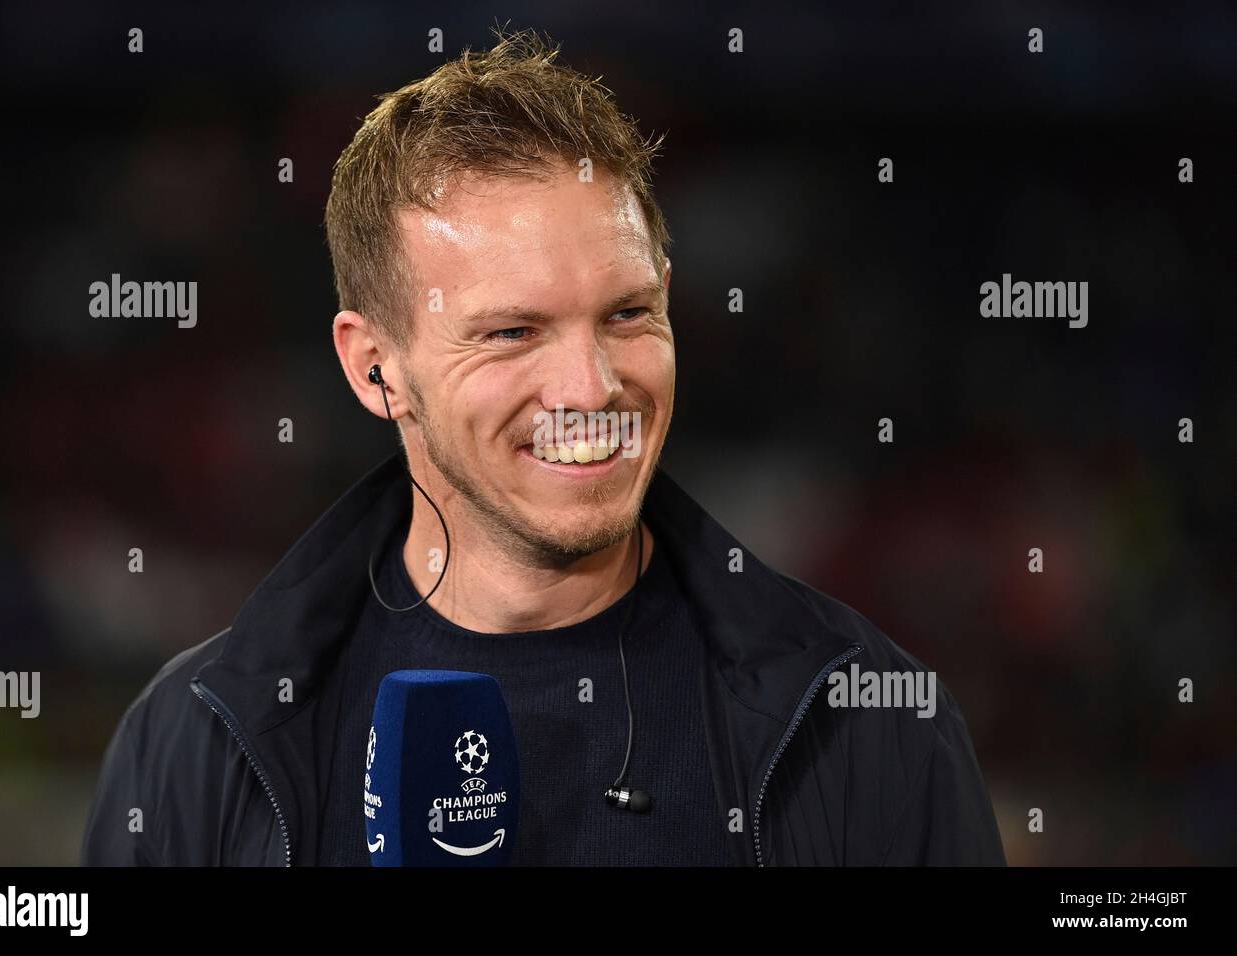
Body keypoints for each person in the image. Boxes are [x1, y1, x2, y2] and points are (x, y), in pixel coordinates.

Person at [81, 28, 1006, 867]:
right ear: (374, 369)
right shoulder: (191, 740)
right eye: (512, 332)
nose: (592, 386)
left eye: (628, 314)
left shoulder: (869, 720)